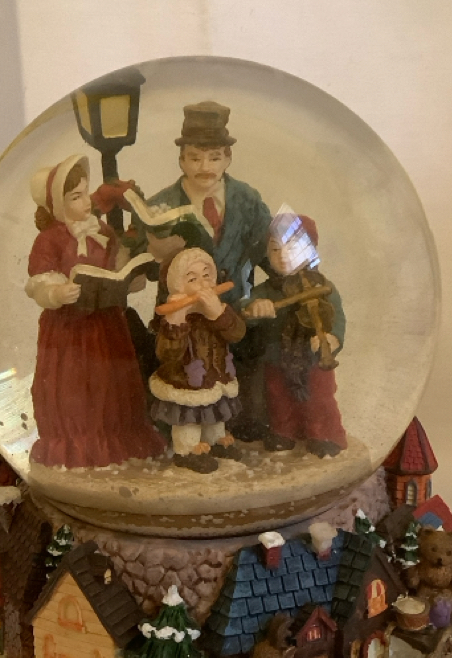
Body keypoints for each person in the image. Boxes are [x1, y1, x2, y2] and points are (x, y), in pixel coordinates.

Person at [141, 102, 273, 438]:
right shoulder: (160, 206)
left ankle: (234, 433)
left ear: (228, 158)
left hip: (236, 313)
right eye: (195, 157)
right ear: (181, 159)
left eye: (214, 157)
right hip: (184, 322)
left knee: (242, 398)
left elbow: (269, 254)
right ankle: (182, 438)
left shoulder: (247, 199)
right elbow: (139, 263)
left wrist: (269, 295)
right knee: (187, 383)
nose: (205, 167)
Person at [25, 154, 164, 468]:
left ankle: (118, 438)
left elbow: (117, 267)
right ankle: (77, 443)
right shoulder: (50, 239)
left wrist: (129, 277)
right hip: (69, 329)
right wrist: (57, 292)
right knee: (75, 385)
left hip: (107, 324)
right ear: (57, 204)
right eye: (75, 197)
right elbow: (38, 281)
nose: (86, 201)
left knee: (110, 382)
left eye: (86, 193)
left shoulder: (102, 231)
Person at [244, 209, 347, 458]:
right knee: (278, 396)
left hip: (313, 358)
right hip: (277, 356)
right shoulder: (266, 290)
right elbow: (244, 310)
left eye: (292, 247)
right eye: (275, 249)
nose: (282, 256)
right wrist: (254, 308)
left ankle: (322, 434)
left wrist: (332, 337)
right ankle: (283, 431)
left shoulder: (323, 287)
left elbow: (337, 318)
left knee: (319, 398)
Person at [150, 248, 246, 473]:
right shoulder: (175, 318)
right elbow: (167, 355)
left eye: (206, 275)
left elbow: (238, 333)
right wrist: (176, 321)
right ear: (178, 286)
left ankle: (215, 440)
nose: (203, 284)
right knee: (189, 419)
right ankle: (188, 449)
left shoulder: (217, 309)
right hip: (185, 382)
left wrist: (218, 314)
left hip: (216, 376)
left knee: (215, 414)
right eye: (192, 279)